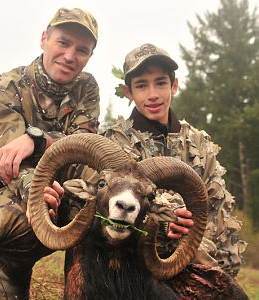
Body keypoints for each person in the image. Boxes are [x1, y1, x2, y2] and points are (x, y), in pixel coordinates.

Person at [45, 43, 247, 279]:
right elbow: (94, 209)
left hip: (194, 252)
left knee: (222, 266)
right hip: (131, 260)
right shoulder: (111, 145)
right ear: (128, 92)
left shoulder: (201, 145)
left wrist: (196, 239)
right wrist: (164, 222)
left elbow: (215, 209)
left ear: (174, 85)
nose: (153, 94)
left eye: (161, 83)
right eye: (141, 85)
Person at [0, 7, 99, 299]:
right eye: (63, 42)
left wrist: (37, 140)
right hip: (1, 190)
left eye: (82, 50)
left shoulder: (87, 87)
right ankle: (13, 278)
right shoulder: (4, 88)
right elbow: (8, 167)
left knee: (101, 205)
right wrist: (38, 192)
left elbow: (85, 145)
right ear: (44, 39)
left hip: (63, 186)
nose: (71, 56)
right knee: (14, 224)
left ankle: (78, 290)